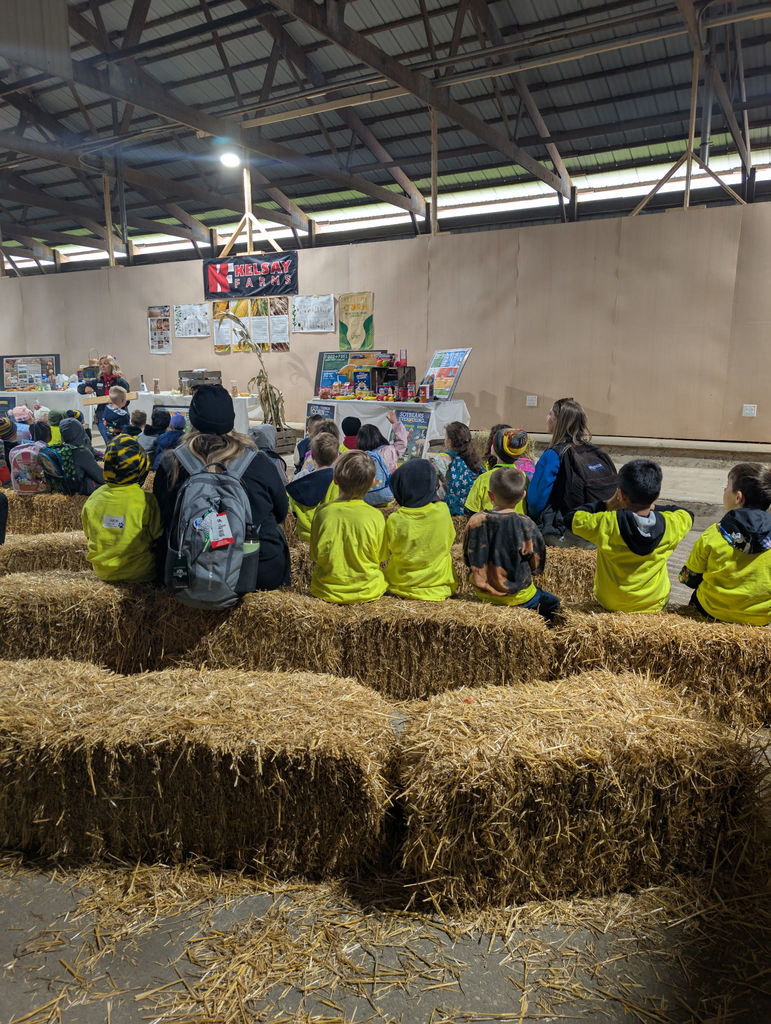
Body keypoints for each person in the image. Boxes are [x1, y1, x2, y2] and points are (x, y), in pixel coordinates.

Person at [153, 384, 290, 590]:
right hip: (255, 571)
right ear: (231, 418)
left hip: (184, 571)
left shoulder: (171, 462)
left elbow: (163, 513)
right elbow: (281, 511)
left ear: (193, 420)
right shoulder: (258, 461)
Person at [565, 458, 693, 613]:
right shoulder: (672, 524)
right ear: (657, 494)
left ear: (621, 494)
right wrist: (653, 505)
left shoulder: (606, 523)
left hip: (611, 602)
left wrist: (609, 504)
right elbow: (687, 514)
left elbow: (571, 518)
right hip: (653, 602)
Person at [679, 463, 771, 626]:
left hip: (711, 611)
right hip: (760, 618)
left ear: (738, 498)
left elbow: (689, 578)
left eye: (727, 487)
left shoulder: (713, 534)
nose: (724, 490)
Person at [463, 467, 560, 622]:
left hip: (482, 594)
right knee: (554, 604)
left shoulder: (475, 520)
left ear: (491, 496)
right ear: (523, 496)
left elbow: (467, 559)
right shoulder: (526, 524)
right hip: (518, 596)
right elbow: (537, 566)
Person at [526, 398, 617, 548]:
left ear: (558, 422)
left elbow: (535, 503)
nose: (546, 418)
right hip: (601, 528)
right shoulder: (597, 451)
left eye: (550, 414)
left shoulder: (553, 454)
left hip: (570, 532)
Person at [309, 450, 387, 604]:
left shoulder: (323, 513)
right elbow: (381, 557)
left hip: (326, 590)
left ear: (335, 479)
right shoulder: (376, 516)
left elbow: (315, 555)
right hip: (368, 591)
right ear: (372, 483)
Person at [81, 436, 162, 583]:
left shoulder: (94, 497)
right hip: (141, 572)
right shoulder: (147, 500)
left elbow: (89, 533)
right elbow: (158, 535)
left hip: (104, 572)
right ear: (142, 467)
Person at [384, 459, 457, 601]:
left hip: (401, 586)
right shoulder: (442, 511)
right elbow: (450, 539)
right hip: (439, 586)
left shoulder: (396, 519)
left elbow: (387, 550)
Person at [287, 433, 339, 543]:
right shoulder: (338, 484)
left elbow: (290, 511)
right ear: (337, 456)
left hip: (303, 538)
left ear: (313, 457)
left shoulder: (297, 484)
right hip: (327, 538)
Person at [464, 429, 530, 515]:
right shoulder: (523, 478)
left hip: (490, 526)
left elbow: (470, 510)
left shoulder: (483, 479)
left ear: (496, 449)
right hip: (518, 526)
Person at [430, 421, 483, 515]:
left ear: (449, 441)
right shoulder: (475, 459)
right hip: (471, 510)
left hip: (446, 510)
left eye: (445, 437)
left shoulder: (441, 459)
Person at [41, 417, 104, 495]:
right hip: (80, 489)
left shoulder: (60, 449)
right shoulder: (81, 452)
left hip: (62, 488)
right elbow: (100, 476)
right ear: (80, 431)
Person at [356, 411, 407, 505]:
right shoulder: (389, 450)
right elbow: (402, 443)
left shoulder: (361, 457)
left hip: (367, 497)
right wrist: (395, 423)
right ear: (378, 435)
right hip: (390, 493)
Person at [77, 356, 130, 446]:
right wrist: (85, 388)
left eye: (105, 363)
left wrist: (115, 402)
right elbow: (80, 388)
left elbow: (127, 401)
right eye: (100, 364)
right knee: (109, 443)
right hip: (102, 417)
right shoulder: (97, 381)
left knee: (121, 442)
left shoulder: (121, 382)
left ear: (112, 365)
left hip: (119, 417)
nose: (102, 366)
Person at [9, 422, 51, 494]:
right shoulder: (47, 450)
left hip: (20, 489)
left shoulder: (18, 448)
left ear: (30, 434)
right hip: (42, 490)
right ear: (49, 436)